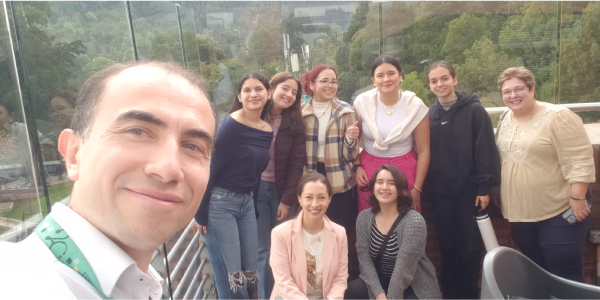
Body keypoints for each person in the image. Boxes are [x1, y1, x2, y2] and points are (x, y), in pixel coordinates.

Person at [0, 61, 217, 299]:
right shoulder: (17, 281)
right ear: (73, 154)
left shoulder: (139, 284)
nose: (168, 169)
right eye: (137, 131)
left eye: (193, 146)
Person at [496, 66, 595, 282]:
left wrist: (578, 198)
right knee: (536, 269)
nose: (513, 95)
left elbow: (579, 159)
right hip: (522, 213)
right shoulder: (504, 118)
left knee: (563, 270)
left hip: (559, 209)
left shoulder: (558, 117)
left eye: (519, 89)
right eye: (507, 92)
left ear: (532, 89)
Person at [423, 61, 501, 300]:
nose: (440, 84)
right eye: (434, 81)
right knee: (447, 245)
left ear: (455, 80)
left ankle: (468, 293)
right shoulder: (430, 114)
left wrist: (484, 186)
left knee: (469, 247)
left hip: (470, 192)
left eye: (444, 78)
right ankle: (450, 292)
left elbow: (486, 149)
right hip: (440, 193)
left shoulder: (475, 111)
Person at [195, 72, 274, 300]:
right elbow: (212, 168)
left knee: (250, 267)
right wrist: (201, 214)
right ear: (239, 96)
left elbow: (256, 171)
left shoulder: (266, 129)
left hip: (247, 203)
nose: (253, 94)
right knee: (231, 273)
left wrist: (254, 207)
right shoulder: (231, 125)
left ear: (268, 94)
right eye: (247, 90)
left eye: (259, 89)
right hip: (221, 204)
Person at [345, 165, 441, 300]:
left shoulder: (414, 222)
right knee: (354, 289)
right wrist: (378, 294)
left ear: (401, 190)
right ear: (373, 188)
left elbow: (403, 272)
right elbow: (365, 262)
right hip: (380, 279)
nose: (384, 187)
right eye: (379, 182)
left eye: (391, 183)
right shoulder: (364, 218)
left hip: (413, 283)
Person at [353, 55, 430, 213]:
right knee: (371, 216)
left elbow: (424, 151)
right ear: (373, 80)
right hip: (369, 169)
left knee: (406, 218)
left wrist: (417, 188)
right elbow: (353, 140)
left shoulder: (415, 106)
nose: (386, 79)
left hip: (405, 168)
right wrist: (357, 166)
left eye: (391, 73)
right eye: (380, 75)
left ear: (400, 76)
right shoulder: (362, 103)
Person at [256, 72, 307, 300]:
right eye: (285, 88)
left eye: (294, 92)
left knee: (284, 250)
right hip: (255, 191)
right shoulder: (253, 115)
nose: (289, 95)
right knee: (261, 250)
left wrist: (287, 200)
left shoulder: (295, 124)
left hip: (280, 192)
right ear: (271, 89)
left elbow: (297, 165)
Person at [270, 171, 348, 300]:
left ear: (329, 199)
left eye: (321, 197)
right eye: (309, 197)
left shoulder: (339, 233)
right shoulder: (280, 233)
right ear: (299, 199)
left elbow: (340, 278)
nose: (315, 204)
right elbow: (283, 281)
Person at [300, 64, 359, 232]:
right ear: (312, 85)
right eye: (324, 81)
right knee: (312, 232)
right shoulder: (300, 112)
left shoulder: (345, 111)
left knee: (339, 232)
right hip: (310, 176)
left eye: (333, 81)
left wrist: (350, 139)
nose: (330, 85)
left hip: (339, 179)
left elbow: (351, 155)